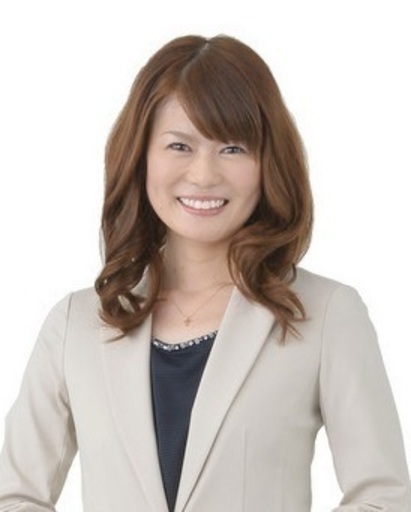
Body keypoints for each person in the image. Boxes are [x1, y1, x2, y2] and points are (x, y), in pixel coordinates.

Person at [0, 34, 410, 512]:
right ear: (141, 156)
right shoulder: (76, 324)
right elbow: (16, 495)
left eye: (232, 148)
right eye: (180, 145)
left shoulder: (326, 314)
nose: (203, 175)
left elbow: (384, 497)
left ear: (268, 162)